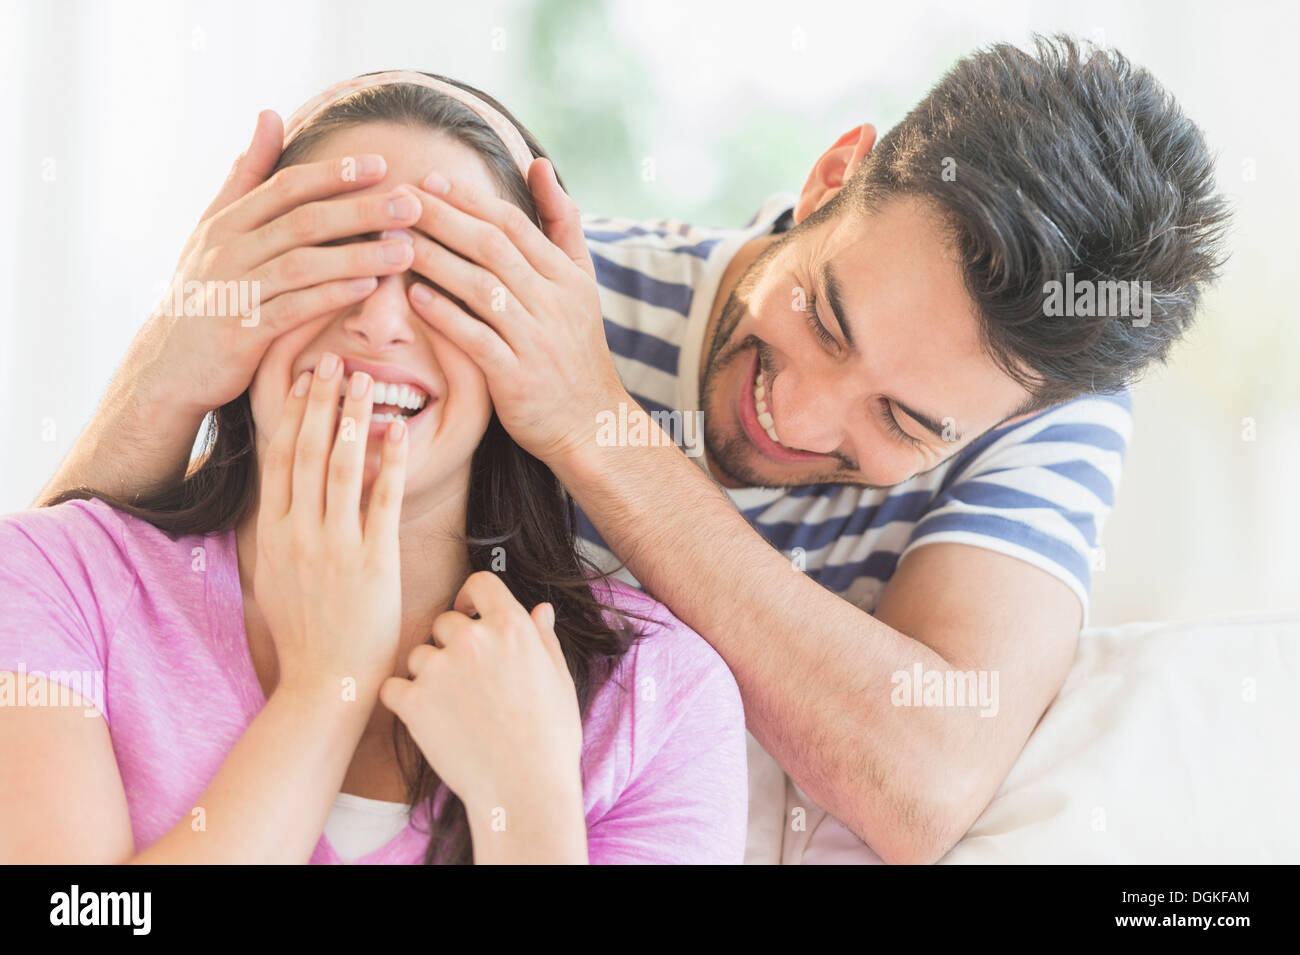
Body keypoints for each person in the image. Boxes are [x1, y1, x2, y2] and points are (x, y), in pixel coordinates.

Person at [32, 35, 1231, 864]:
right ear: (826, 180)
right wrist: (165, 375)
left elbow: (920, 784)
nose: (801, 418)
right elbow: (63, 599)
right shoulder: (508, 288)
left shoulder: (1032, 404)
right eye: (821, 313)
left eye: (906, 421)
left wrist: (586, 424)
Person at [0, 71, 747, 865]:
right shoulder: (52, 576)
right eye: (336, 256)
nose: (381, 321)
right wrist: (324, 689)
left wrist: (528, 815)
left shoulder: (661, 699)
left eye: (447, 279)